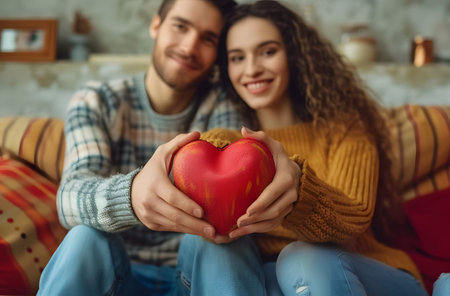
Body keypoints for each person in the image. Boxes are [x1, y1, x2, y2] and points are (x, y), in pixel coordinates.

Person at [37, 0, 296, 295]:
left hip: (192, 274)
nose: (189, 47)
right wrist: (132, 196)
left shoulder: (224, 104)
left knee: (222, 247)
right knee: (84, 238)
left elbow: (238, 173)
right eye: (180, 27)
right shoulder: (97, 101)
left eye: (208, 38)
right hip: (119, 273)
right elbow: (70, 196)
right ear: (156, 25)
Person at [174, 1, 431, 295]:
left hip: (368, 272)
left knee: (302, 257)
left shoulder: (344, 129)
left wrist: (296, 193)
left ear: (294, 55)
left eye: (268, 52)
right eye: (236, 58)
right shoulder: (226, 143)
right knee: (219, 251)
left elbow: (354, 218)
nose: (252, 69)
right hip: (275, 280)